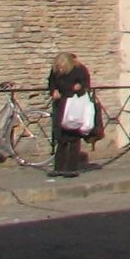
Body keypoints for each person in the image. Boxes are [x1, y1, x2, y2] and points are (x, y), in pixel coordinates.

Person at [47, 50, 92, 178]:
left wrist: (79, 86)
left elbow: (85, 83)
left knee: (73, 137)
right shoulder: (55, 70)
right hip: (61, 103)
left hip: (73, 103)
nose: (61, 68)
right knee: (60, 138)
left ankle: (72, 168)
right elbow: (51, 82)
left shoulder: (79, 69)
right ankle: (58, 167)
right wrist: (53, 90)